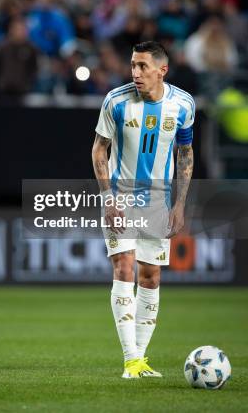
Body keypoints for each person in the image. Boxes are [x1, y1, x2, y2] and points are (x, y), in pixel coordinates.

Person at [91, 41, 194, 379]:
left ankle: (141, 360)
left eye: (142, 67)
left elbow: (185, 154)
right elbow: (99, 149)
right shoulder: (116, 101)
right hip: (121, 196)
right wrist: (108, 197)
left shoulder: (182, 105)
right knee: (124, 267)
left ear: (162, 70)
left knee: (151, 276)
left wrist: (179, 205)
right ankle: (130, 360)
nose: (135, 72)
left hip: (158, 201)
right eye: (133, 65)